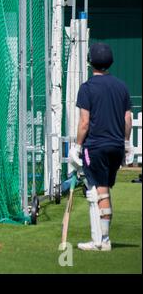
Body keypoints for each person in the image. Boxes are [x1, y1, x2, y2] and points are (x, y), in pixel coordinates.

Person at [69, 43, 133, 251]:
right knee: (103, 190)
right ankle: (102, 238)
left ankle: (101, 241)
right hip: (115, 146)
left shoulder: (87, 87)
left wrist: (77, 146)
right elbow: (127, 118)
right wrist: (125, 143)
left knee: (97, 192)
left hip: (95, 146)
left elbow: (84, 122)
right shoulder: (121, 86)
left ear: (90, 62)